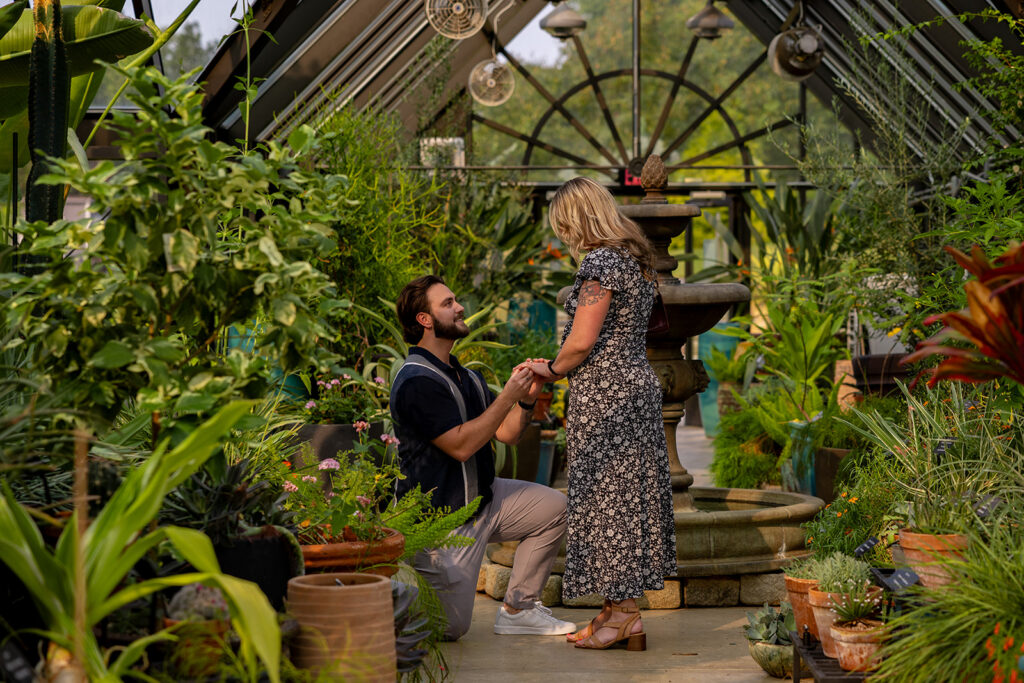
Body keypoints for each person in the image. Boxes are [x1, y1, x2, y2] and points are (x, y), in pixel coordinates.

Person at [526, 177, 676, 651]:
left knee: (608, 500)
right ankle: (615, 611)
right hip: (635, 386)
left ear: (574, 218)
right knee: (624, 498)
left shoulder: (600, 261)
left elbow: (583, 340)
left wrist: (548, 369)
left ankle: (625, 616)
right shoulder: (633, 258)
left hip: (607, 394)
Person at [389, 275, 576, 640]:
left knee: (556, 506)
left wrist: (526, 398)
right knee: (450, 628)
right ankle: (377, 595)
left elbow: (505, 433)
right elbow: (461, 446)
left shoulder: (466, 375)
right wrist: (507, 395)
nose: (459, 307)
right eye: (447, 303)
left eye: (455, 300)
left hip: (485, 500)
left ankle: (519, 610)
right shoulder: (416, 381)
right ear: (424, 320)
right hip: (443, 521)